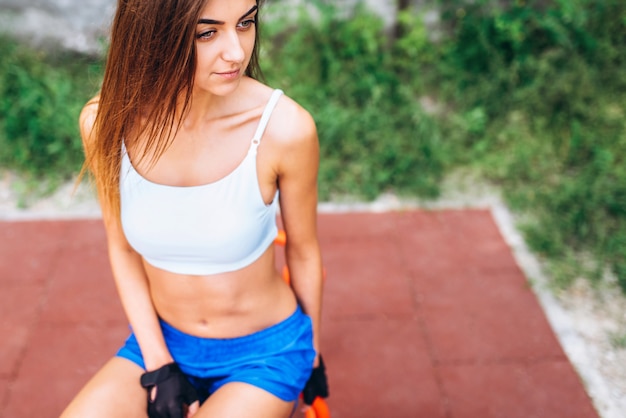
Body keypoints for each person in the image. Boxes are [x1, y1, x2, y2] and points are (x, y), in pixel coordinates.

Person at [61, 0, 328, 417]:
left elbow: (304, 251)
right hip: (162, 342)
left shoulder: (284, 128)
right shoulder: (104, 122)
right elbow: (123, 249)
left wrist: (312, 351)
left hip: (265, 352)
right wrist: (158, 364)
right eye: (208, 32)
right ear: (154, 34)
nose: (237, 52)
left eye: (245, 24)